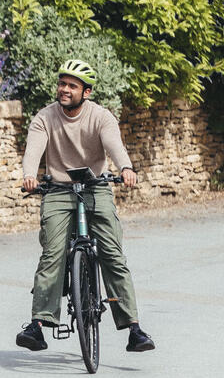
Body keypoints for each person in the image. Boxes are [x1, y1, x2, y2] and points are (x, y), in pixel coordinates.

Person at [15, 59, 156, 353]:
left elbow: (114, 145)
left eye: (72, 86)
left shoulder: (101, 117)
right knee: (52, 254)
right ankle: (38, 325)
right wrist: (29, 175)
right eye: (62, 84)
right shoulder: (44, 117)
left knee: (112, 255)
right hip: (57, 189)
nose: (64, 90)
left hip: (95, 187)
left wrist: (126, 167)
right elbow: (34, 150)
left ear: (86, 92)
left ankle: (134, 328)